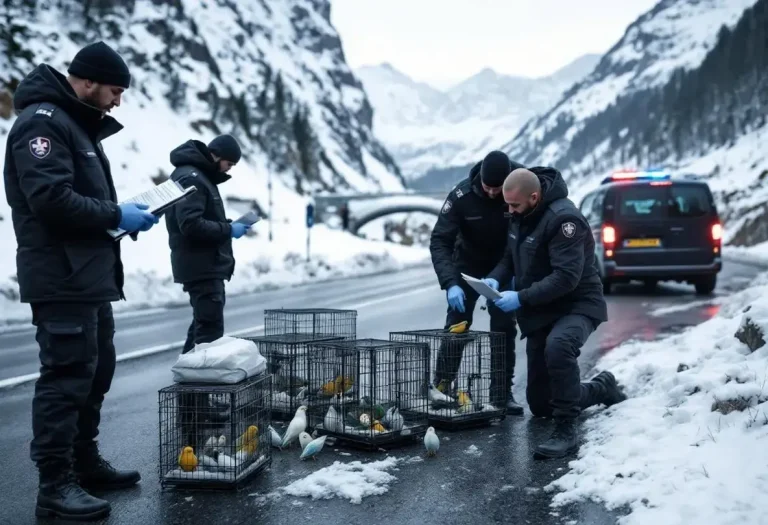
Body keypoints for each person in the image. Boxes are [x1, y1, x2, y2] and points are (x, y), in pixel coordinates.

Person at [3, 42, 158, 520]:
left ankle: (83, 461)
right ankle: (55, 484)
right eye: (115, 90)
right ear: (87, 81)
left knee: (96, 373)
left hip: (88, 276)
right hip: (60, 276)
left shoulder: (74, 125)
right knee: (66, 379)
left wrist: (118, 220)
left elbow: (77, 202)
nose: (118, 101)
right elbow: (50, 199)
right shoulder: (43, 124)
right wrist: (115, 212)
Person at [486, 167, 627, 458]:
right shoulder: (518, 215)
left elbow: (566, 277)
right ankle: (601, 388)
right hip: (543, 309)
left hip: (577, 304)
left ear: (534, 197)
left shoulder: (565, 220)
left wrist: (521, 298)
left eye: (514, 205)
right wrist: (494, 278)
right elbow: (509, 259)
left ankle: (566, 430)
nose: (509, 210)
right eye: (507, 204)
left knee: (559, 345)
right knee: (541, 405)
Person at [429, 150, 524, 414]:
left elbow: (523, 237)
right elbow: (440, 240)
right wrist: (450, 283)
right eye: (488, 188)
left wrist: (500, 275)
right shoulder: (461, 196)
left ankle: (501, 394)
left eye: (499, 189)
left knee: (504, 329)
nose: (493, 193)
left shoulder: (519, 188)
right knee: (457, 327)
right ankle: (442, 389)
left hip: (505, 266)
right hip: (466, 265)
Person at [164, 134, 248, 354]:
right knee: (208, 335)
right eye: (229, 164)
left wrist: (227, 226)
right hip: (202, 267)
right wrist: (229, 230)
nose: (229, 170)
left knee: (201, 330)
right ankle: (194, 387)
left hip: (203, 266)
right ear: (216, 155)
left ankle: (188, 384)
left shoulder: (197, 175)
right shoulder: (192, 177)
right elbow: (190, 225)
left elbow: (199, 219)